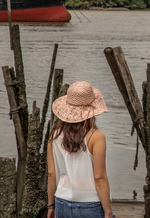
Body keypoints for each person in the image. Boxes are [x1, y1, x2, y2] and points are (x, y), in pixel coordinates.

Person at [47, 81, 114, 218]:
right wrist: (108, 212)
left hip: (62, 202)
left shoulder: (55, 134)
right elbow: (100, 178)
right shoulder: (96, 137)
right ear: (92, 110)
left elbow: (52, 174)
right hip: (90, 205)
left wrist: (51, 205)